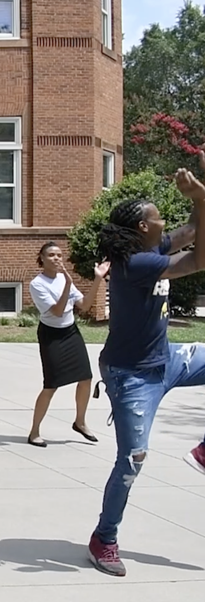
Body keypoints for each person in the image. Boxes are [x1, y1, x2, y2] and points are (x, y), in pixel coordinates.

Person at [87, 161, 205, 577]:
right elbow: (198, 257)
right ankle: (104, 538)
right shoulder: (135, 265)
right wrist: (200, 199)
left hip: (167, 360)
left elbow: (193, 229)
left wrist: (202, 192)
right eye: (158, 217)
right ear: (142, 227)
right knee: (132, 459)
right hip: (131, 375)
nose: (164, 222)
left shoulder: (151, 248)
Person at [27, 242, 110, 447]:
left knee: (86, 378)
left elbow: (85, 305)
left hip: (71, 332)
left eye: (59, 255)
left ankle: (80, 422)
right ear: (42, 259)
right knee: (51, 385)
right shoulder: (37, 284)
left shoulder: (65, 279)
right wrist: (67, 286)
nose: (57, 258)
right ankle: (34, 431)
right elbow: (57, 311)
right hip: (51, 336)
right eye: (52, 255)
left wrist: (98, 279)